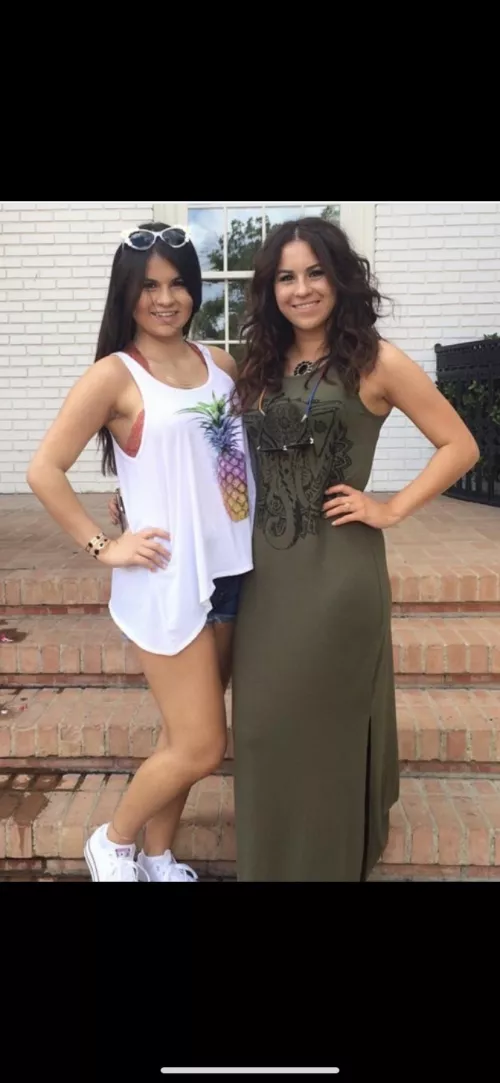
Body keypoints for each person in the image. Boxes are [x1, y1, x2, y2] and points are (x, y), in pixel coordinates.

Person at [229, 216, 479, 882]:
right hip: (265, 575)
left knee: (325, 730)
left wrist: (391, 507)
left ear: (340, 278)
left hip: (337, 575)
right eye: (286, 277)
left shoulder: (375, 361)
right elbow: (223, 463)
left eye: (315, 272)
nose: (302, 289)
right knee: (261, 727)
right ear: (270, 289)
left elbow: (460, 445)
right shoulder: (257, 365)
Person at [27, 222, 255, 883]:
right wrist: (104, 545)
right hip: (166, 579)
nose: (165, 298)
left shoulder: (220, 364)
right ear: (126, 294)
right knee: (203, 744)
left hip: (230, 568)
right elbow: (44, 469)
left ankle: (157, 857)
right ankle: (113, 840)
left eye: (178, 283)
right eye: (149, 286)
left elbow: (218, 458)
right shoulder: (114, 375)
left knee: (180, 736)